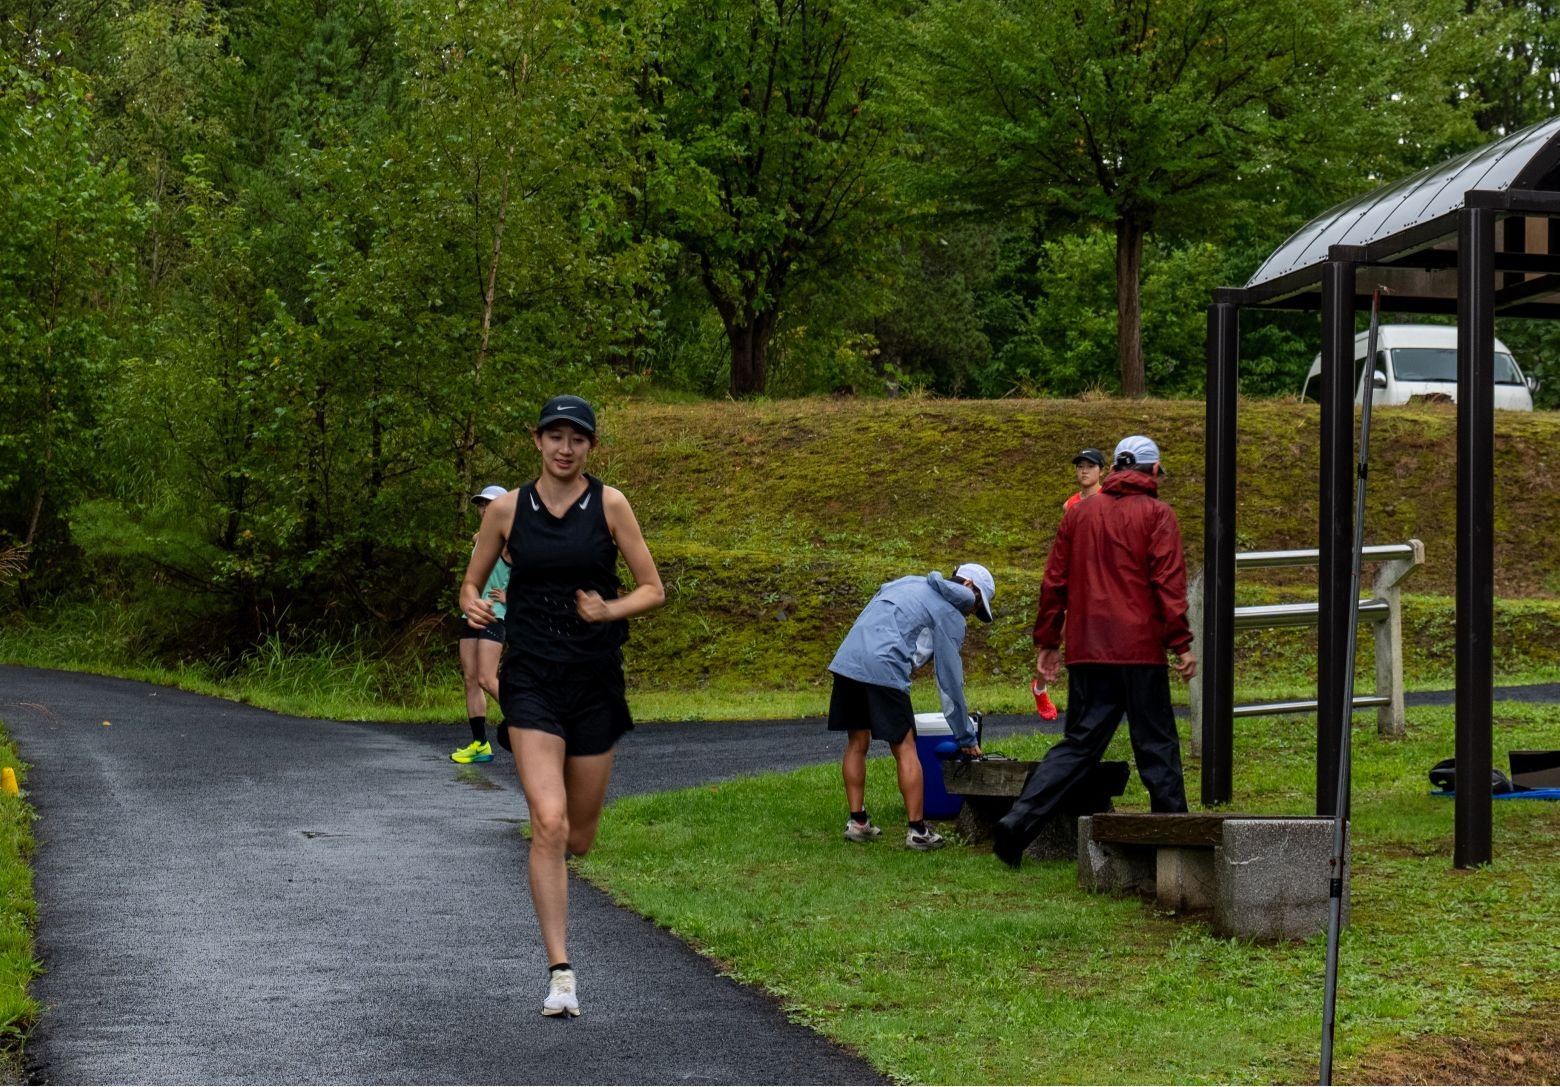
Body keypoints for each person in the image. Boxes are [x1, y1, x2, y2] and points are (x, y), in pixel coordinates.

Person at [460, 394, 665, 1018]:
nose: (565, 448)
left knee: (579, 836)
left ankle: (562, 847)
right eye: (555, 436)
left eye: (577, 438)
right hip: (530, 679)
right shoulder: (505, 509)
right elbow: (471, 581)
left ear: (591, 446)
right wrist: (472, 603)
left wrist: (608, 609)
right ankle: (561, 972)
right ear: (538, 440)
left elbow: (653, 589)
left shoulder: (610, 504)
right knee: (547, 822)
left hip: (594, 682)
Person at [994, 435, 1198, 869]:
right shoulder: (1158, 515)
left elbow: (1055, 582)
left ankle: (1017, 822)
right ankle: (1174, 840)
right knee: (1156, 743)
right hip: (1140, 650)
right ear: (1153, 470)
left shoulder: (1079, 514)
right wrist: (1180, 642)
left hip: (1087, 649)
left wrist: (1048, 642)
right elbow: (1168, 583)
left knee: (1080, 744)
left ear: (1115, 469)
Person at [827, 563, 995, 851]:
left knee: (857, 741)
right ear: (968, 587)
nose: (971, 612)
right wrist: (965, 736)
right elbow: (949, 682)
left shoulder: (910, 582)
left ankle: (858, 823)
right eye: (977, 604)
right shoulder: (950, 612)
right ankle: (918, 831)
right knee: (905, 745)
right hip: (884, 664)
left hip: (848, 659)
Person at [1030, 448, 1108, 723]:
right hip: (1075, 576)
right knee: (1058, 631)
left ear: (1101, 471)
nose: (1084, 471)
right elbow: (1065, 546)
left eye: (1090, 466)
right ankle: (1040, 687)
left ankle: (1096, 696)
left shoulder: (1109, 500)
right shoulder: (1070, 505)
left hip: (1100, 578)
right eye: (1080, 466)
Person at [451, 484, 512, 764]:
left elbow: (535, 573)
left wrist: (511, 595)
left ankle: (532, 726)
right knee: (471, 679)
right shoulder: (481, 539)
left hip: (494, 615)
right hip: (472, 615)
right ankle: (480, 744)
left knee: (487, 678)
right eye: (481, 504)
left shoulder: (510, 540)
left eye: (490, 504)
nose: (484, 509)